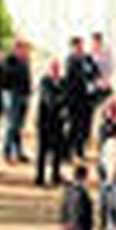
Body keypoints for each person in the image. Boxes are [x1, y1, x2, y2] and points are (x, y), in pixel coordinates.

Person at [36, 59, 68, 187]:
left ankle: (55, 175)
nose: (55, 70)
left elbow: (67, 98)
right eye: (53, 68)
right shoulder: (45, 82)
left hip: (58, 123)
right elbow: (50, 101)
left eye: (57, 68)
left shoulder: (63, 82)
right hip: (45, 122)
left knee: (58, 150)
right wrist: (62, 99)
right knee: (42, 151)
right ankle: (40, 177)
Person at [0, 39, 32, 163]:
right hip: (12, 95)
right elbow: (6, 78)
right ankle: (6, 152)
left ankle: (18, 152)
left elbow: (27, 78)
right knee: (12, 125)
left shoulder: (25, 61)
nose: (25, 51)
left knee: (19, 126)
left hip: (23, 95)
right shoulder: (9, 60)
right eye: (22, 48)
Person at [59, 163, 95, 230]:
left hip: (70, 228)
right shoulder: (81, 193)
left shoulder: (68, 191)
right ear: (85, 176)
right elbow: (82, 213)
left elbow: (63, 209)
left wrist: (64, 224)